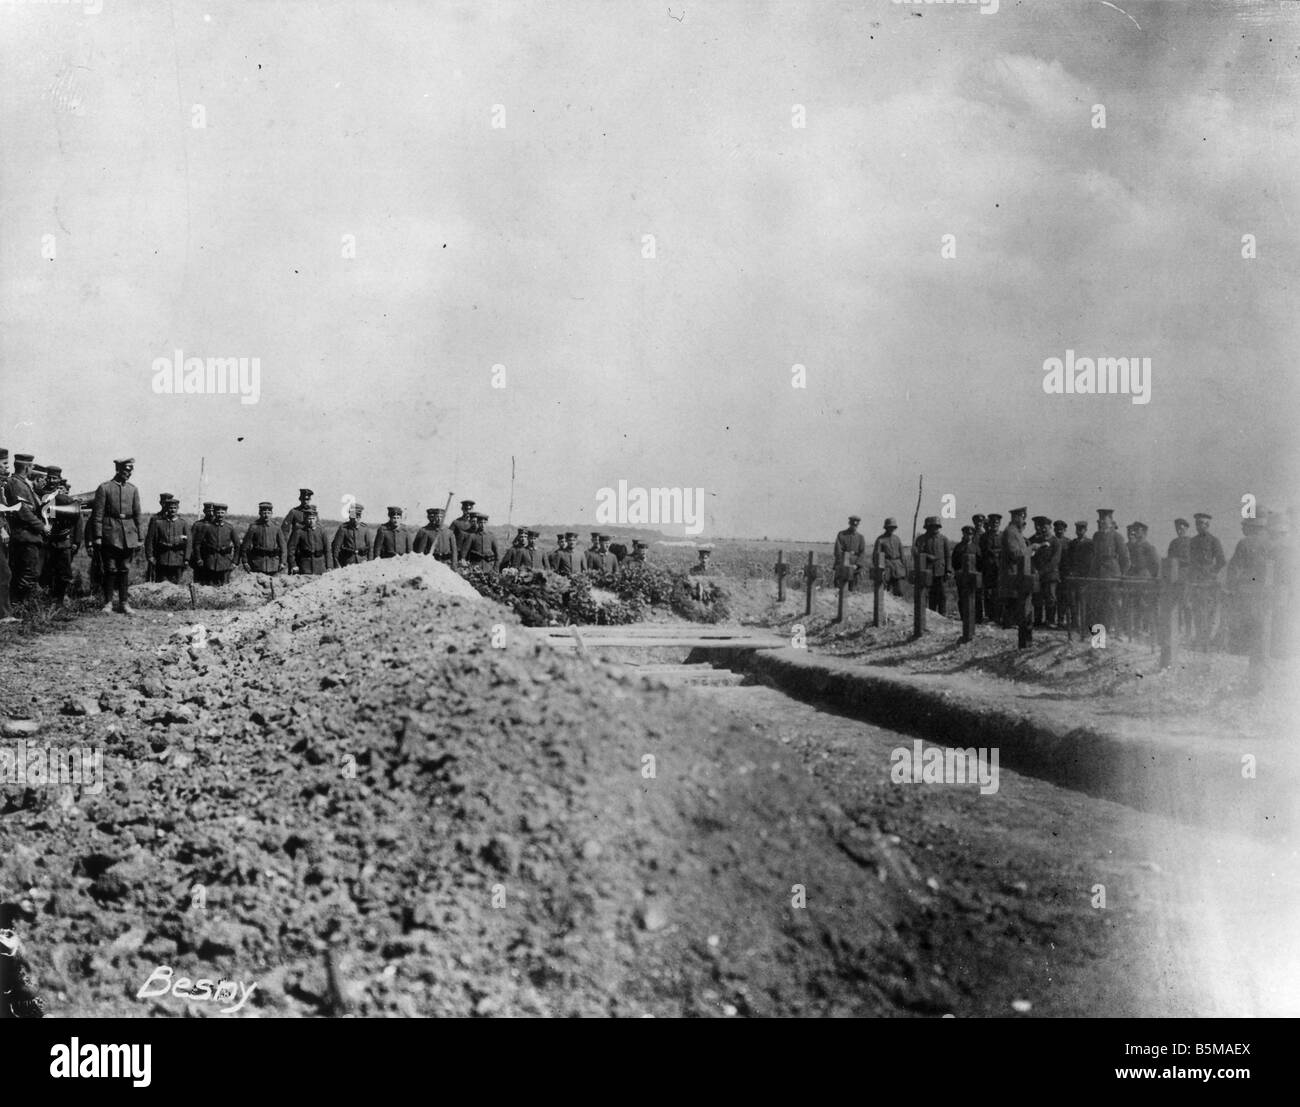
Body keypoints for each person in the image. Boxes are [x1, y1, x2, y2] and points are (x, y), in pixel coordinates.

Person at [89, 457, 143, 614]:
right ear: (118, 469)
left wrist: (140, 538)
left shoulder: (133, 489)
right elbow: (97, 515)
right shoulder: (104, 488)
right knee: (110, 569)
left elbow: (138, 515)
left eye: (130, 470)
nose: (128, 473)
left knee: (124, 569)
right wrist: (98, 536)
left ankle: (124, 603)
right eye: (126, 470)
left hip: (129, 535)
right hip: (110, 533)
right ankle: (108, 603)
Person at [4, 452, 48, 603]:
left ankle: (20, 605)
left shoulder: (20, 483)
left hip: (27, 535)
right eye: (31, 467)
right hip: (24, 535)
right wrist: (42, 527)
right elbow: (23, 511)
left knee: (27, 573)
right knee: (27, 574)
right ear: (27, 467)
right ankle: (19, 605)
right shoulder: (16, 484)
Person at [40, 466, 84, 606]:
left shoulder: (64, 498)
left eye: (55, 478)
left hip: (63, 540)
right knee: (46, 571)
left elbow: (76, 518)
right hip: (46, 541)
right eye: (50, 477)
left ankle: (59, 600)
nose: (51, 480)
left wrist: (73, 538)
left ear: (59, 480)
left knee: (64, 573)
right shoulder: (41, 495)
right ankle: (46, 601)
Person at [999, 507, 1033, 647]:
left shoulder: (1017, 533)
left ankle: (1025, 639)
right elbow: (1015, 554)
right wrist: (1033, 548)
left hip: (1019, 574)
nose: (1024, 520)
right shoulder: (1010, 532)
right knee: (1017, 608)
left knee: (1022, 608)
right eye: (1022, 517)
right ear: (1015, 517)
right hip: (1013, 574)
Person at [147, 495, 190, 584]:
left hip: (178, 559)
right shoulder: (158, 523)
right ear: (166, 509)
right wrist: (150, 556)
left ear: (178, 509)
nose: (172, 510)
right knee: (161, 585)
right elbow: (150, 540)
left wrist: (186, 558)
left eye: (175, 508)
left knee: (176, 585)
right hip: (162, 559)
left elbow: (189, 543)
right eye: (170, 508)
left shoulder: (183, 523)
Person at [913, 516, 951, 614]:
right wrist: (927, 556)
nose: (935, 528)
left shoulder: (943, 539)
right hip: (927, 571)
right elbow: (916, 553)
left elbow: (948, 556)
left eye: (936, 526)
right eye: (932, 526)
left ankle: (943, 614)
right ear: (927, 527)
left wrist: (948, 570)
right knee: (930, 594)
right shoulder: (921, 539)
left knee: (942, 594)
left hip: (940, 571)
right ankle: (932, 614)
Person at [1028, 515, 1062, 628]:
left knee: (1050, 598)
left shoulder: (1055, 541)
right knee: (1037, 598)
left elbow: (1054, 561)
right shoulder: (1036, 541)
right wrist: (1034, 570)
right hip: (1037, 575)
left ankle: (1050, 621)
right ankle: (1037, 621)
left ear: (1050, 527)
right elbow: (1031, 557)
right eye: (1040, 527)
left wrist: (1041, 572)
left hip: (1050, 575)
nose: (1043, 529)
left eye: (1045, 527)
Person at [240, 501, 290, 576]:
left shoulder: (276, 527)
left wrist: (283, 562)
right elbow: (245, 546)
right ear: (259, 513)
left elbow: (283, 546)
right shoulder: (254, 527)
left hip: (273, 565)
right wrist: (245, 561)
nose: (266, 515)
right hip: (257, 564)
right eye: (264, 513)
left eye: (269, 513)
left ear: (272, 514)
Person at [197, 503, 240, 586]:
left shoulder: (229, 527)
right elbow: (197, 544)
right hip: (210, 562)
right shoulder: (207, 527)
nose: (220, 515)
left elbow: (237, 545)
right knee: (209, 587)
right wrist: (199, 559)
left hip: (225, 562)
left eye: (222, 513)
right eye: (218, 513)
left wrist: (235, 561)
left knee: (224, 586)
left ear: (226, 513)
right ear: (214, 513)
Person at [952, 524, 980, 642]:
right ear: (963, 534)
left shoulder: (975, 547)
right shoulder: (959, 547)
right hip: (962, 577)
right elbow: (954, 562)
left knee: (976, 597)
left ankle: (976, 619)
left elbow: (980, 561)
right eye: (966, 534)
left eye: (970, 534)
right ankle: (964, 618)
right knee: (962, 597)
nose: (968, 536)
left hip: (973, 576)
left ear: (972, 535)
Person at [290, 507, 334, 575]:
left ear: (316, 519)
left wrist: (329, 566)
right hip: (305, 566)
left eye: (313, 518)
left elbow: (327, 550)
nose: (311, 521)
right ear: (305, 519)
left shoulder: (322, 531)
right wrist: (294, 565)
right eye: (309, 518)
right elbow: (291, 550)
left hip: (320, 566)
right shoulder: (299, 532)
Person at [872, 518, 906, 597]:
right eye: (890, 527)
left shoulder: (897, 539)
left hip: (897, 566)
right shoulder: (880, 539)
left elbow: (902, 554)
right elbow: (876, 555)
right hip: (886, 566)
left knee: (899, 590)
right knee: (885, 590)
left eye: (893, 527)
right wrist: (880, 567)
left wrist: (904, 567)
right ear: (886, 527)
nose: (892, 529)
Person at [834, 515, 867, 592]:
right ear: (849, 524)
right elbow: (838, 550)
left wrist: (857, 564)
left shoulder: (860, 537)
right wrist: (843, 563)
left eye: (856, 525)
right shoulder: (841, 534)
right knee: (840, 588)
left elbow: (862, 552)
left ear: (858, 525)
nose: (854, 527)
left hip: (855, 566)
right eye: (852, 525)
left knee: (853, 588)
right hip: (843, 564)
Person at [980, 513, 1003, 620]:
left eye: (997, 523)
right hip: (988, 568)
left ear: (1000, 523)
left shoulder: (1003, 536)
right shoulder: (984, 537)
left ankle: (998, 616)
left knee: (999, 592)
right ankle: (989, 615)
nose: (995, 524)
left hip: (1000, 568)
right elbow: (983, 551)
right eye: (993, 522)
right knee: (988, 593)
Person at [189, 502, 215, 585]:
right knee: (199, 583)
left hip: (213, 558)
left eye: (213, 511)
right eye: (208, 511)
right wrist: (196, 558)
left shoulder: (217, 525)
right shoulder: (198, 525)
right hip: (200, 557)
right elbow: (191, 542)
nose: (211, 513)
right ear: (204, 511)